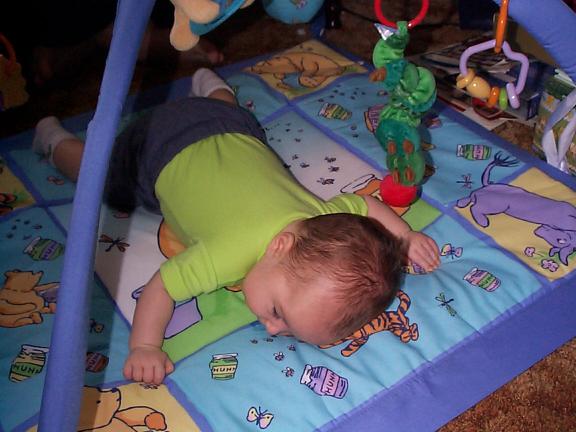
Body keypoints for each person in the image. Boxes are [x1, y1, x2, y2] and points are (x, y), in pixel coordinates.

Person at [32, 68, 440, 385]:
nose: (271, 328)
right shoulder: (227, 254)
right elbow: (160, 288)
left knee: (237, 118)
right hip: (154, 146)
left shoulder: (321, 216)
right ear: (279, 246)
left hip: (225, 123)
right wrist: (144, 346)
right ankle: (53, 142)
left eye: (285, 329)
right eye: (278, 312)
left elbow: (366, 204)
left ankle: (211, 86)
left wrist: (403, 236)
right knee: (100, 178)